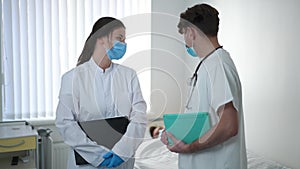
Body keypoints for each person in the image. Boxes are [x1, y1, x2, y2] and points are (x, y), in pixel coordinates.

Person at [160, 4, 247, 169]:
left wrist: (191, 146)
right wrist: (176, 133)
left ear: (191, 32)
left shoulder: (217, 65)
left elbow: (229, 125)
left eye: (184, 34)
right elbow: (206, 117)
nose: (185, 40)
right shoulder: (210, 64)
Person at [55, 17, 147, 169]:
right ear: (101, 38)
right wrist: (98, 156)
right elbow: (65, 123)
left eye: (124, 40)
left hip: (123, 161)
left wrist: (121, 151)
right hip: (87, 163)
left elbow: (140, 118)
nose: (123, 44)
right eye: (119, 38)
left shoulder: (129, 75)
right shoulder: (73, 78)